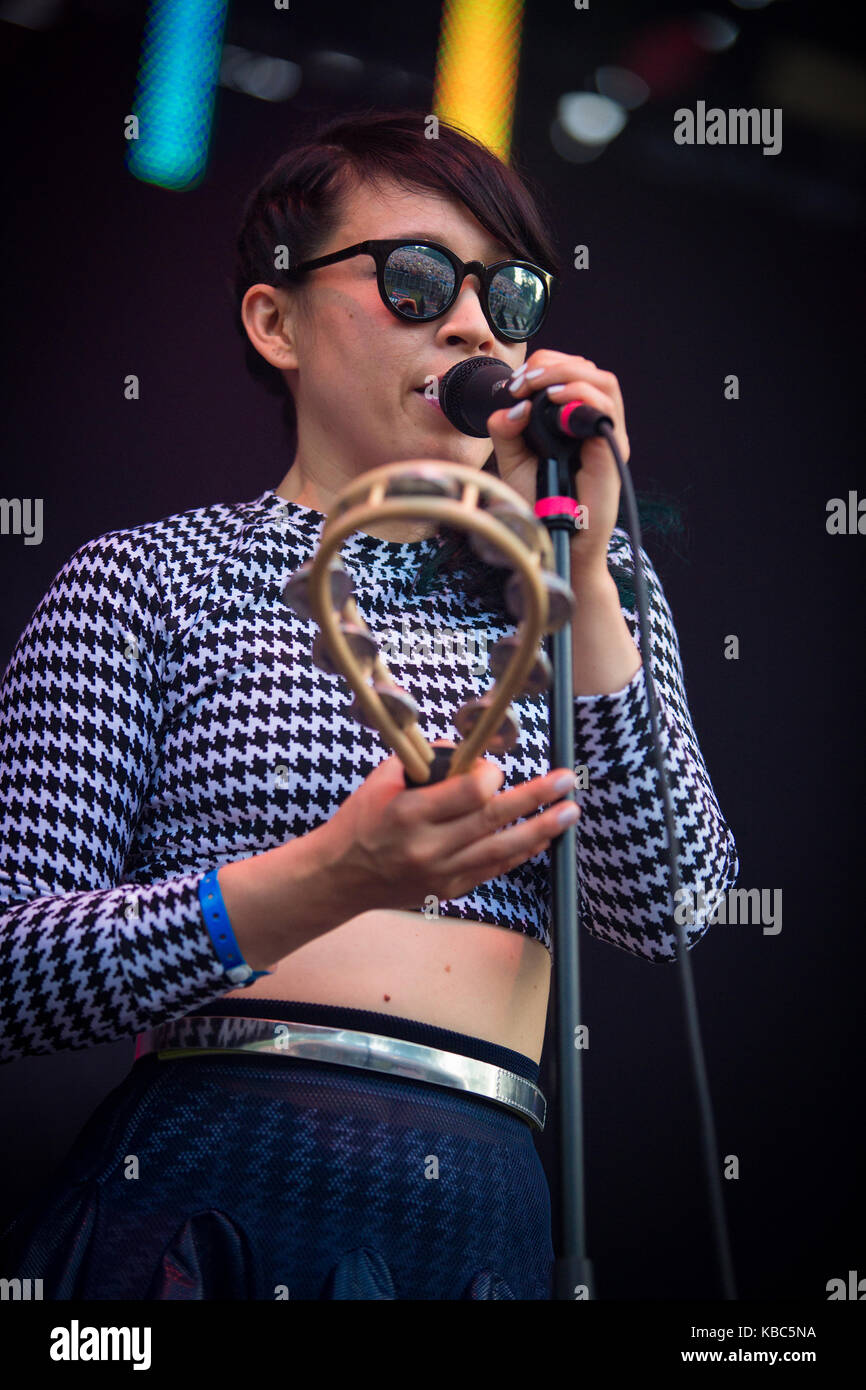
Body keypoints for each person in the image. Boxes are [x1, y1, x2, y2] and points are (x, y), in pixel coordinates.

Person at [0, 109, 739, 1300]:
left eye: (507, 294)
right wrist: (327, 876)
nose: (470, 324)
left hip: (483, 1194)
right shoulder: (145, 580)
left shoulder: (576, 583)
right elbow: (13, 968)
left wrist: (586, 581)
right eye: (415, 280)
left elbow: (671, 906)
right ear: (275, 320)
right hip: (208, 1172)